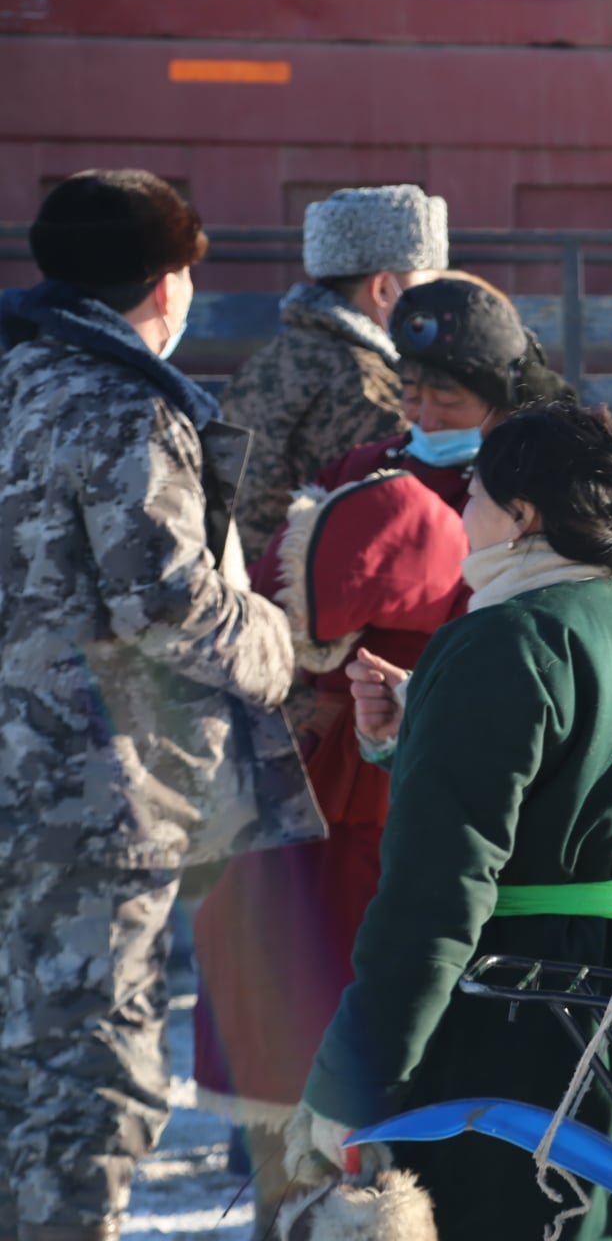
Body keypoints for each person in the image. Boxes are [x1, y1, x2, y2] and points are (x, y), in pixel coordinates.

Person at [190, 275, 567, 1235]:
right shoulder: (368, 468)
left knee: (422, 1026)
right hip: (328, 790)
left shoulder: (532, 489)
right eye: (414, 390)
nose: (425, 412)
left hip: (446, 790)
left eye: (450, 397)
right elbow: (290, 590)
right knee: (296, 1007)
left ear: (500, 402)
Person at [286, 402, 612, 1240]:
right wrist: (419, 729)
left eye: (474, 494)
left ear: (524, 515)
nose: (459, 513)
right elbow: (604, 790)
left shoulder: (498, 643)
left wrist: (353, 1080)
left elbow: (435, 898)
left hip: (508, 1010)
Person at [0, 170, 311, 1241]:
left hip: (19, 790)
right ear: (164, 280)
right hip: (93, 799)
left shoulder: (11, 379)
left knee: (20, 1073)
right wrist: (278, 640)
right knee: (91, 1086)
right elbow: (168, 598)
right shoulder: (122, 404)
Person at [223, 184, 448, 559]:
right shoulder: (367, 386)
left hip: (256, 594)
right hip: (314, 603)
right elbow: (412, 525)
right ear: (383, 291)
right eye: (428, 284)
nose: (437, 302)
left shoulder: (268, 361)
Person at [308, 274, 577, 508]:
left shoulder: (540, 489)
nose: (426, 420)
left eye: (448, 401)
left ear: (504, 406)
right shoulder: (359, 472)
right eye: (412, 396)